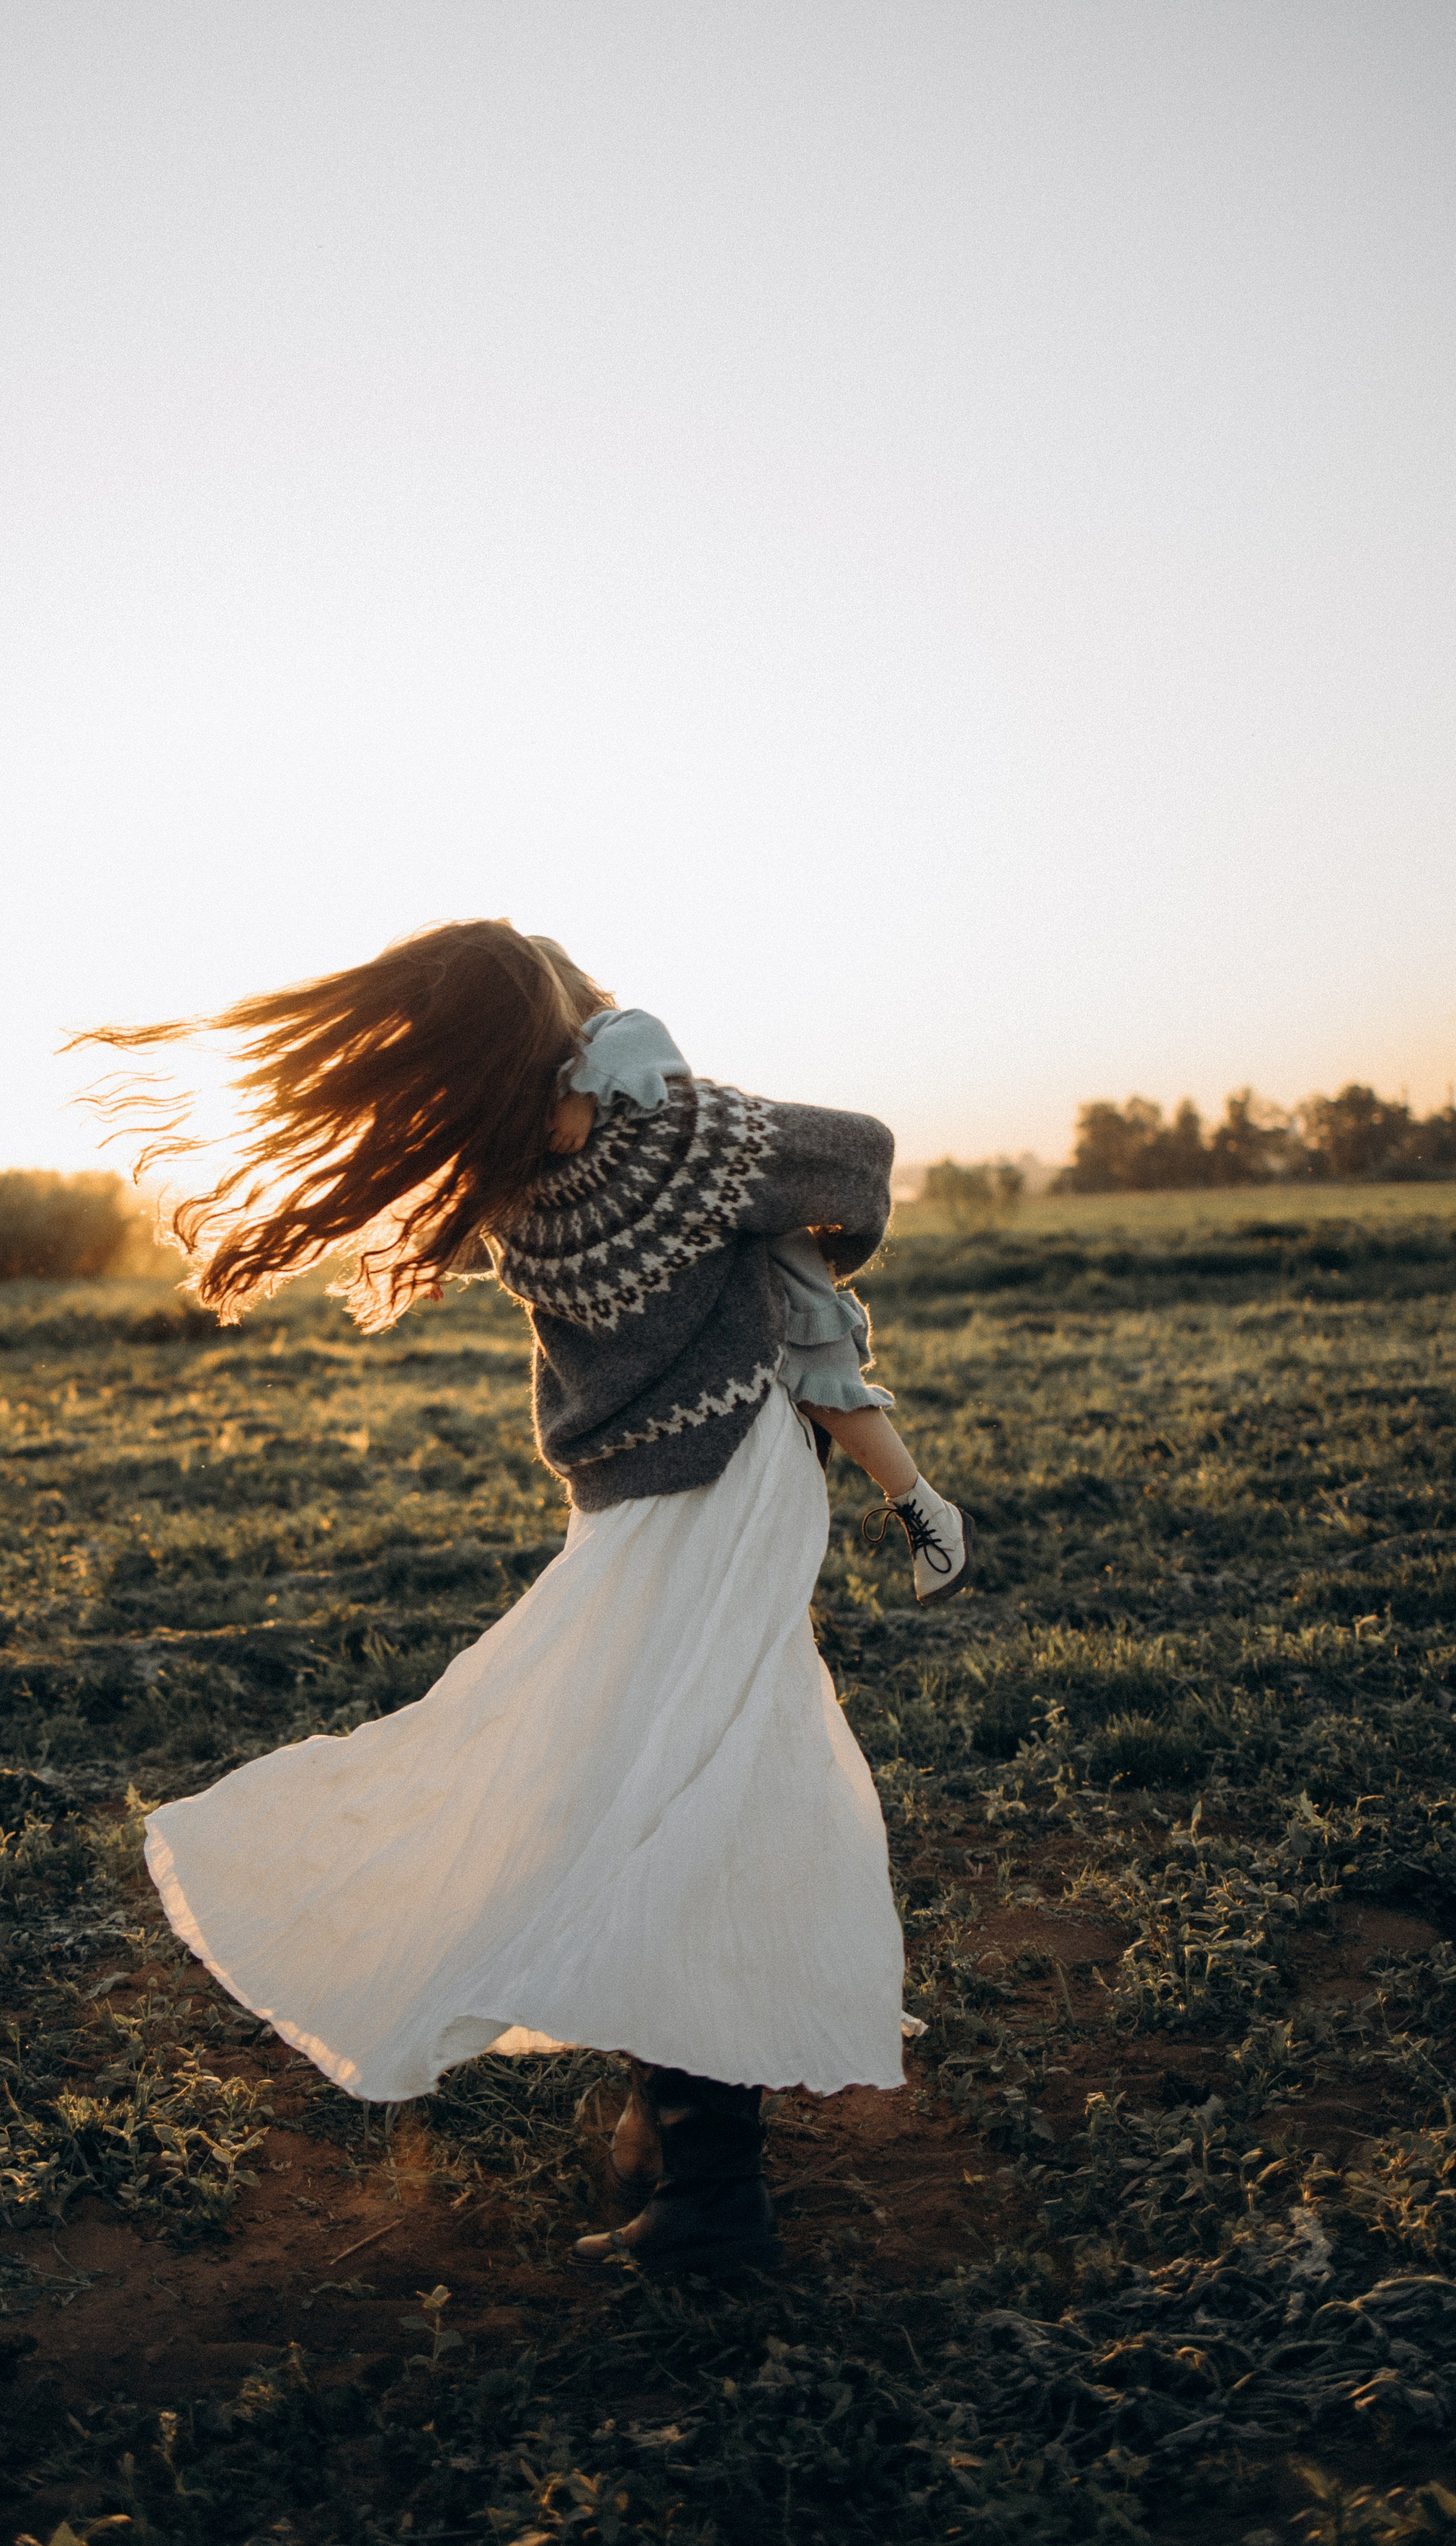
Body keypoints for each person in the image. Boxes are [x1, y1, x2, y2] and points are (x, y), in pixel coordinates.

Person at [79, 919, 935, 2278]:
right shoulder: (685, 1141)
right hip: (734, 1478)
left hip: (650, 1504)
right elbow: (862, 1157)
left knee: (663, 1771)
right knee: (668, 1770)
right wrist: (805, 1260)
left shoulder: (497, 1188)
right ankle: (701, 2149)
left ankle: (706, 2172)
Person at [539, 961, 973, 1609]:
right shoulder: (545, 1102)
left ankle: (924, 1508)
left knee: (831, 1389)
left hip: (769, 1250)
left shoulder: (614, 1037)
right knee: (809, 1400)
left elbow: (649, 1039)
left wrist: (581, 1089)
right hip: (716, 1265)